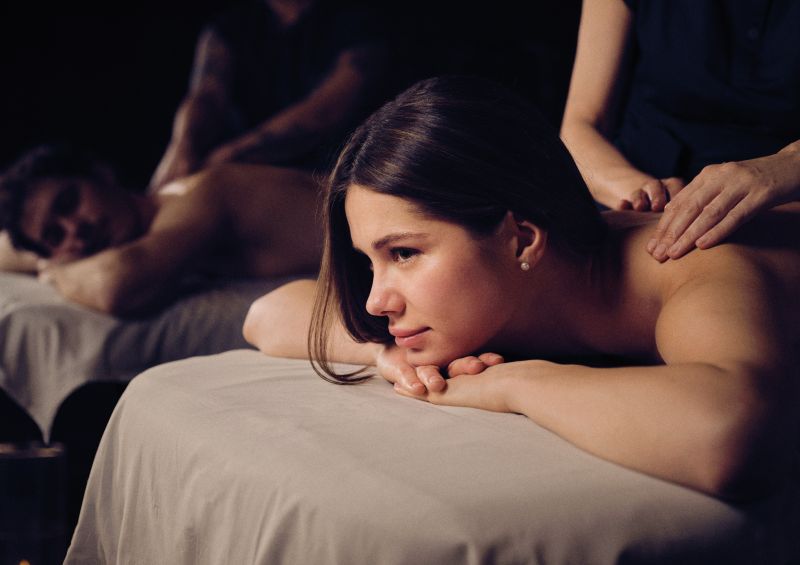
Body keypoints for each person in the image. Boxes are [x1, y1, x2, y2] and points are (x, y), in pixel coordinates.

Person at [243, 76, 799, 500]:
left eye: (404, 253)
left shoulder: (691, 267)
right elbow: (267, 314)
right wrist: (385, 354)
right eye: (370, 263)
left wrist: (513, 384)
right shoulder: (503, 289)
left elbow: (727, 433)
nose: (375, 301)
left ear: (522, 240)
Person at [560, 0, 800, 261]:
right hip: (632, 188)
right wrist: (647, 195)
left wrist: (792, 162)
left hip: (774, 204)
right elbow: (581, 126)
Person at [0, 144, 322, 316]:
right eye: (55, 235)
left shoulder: (202, 194)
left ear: (100, 174)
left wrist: (54, 269)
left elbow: (115, 285)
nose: (76, 229)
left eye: (69, 202)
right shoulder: (165, 216)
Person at [149, 0, 386, 192]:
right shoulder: (229, 27)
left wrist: (229, 156)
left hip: (331, 178)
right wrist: (181, 148)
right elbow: (207, 95)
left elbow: (326, 111)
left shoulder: (358, 19)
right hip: (243, 179)